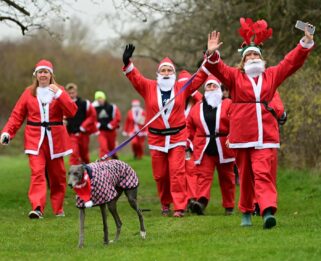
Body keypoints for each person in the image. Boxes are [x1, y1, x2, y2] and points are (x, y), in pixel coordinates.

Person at [203, 18, 314, 228]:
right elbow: (218, 70)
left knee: (263, 173)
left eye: (256, 54)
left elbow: (290, 63)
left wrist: (304, 43)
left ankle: (267, 211)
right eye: (249, 55)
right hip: (242, 135)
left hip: (266, 134)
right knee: (245, 176)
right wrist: (212, 54)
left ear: (261, 59)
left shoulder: (271, 75)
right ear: (243, 61)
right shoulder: (235, 77)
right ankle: (245, 211)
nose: (253, 57)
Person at [122, 44, 208, 217]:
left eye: (170, 70)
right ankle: (165, 203)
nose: (167, 73)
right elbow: (135, 77)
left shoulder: (181, 88)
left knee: (177, 173)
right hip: (156, 139)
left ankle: (179, 207)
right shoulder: (148, 87)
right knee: (160, 176)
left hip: (177, 136)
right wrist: (127, 62)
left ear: (174, 74)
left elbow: (199, 78)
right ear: (158, 74)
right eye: (164, 70)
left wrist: (208, 58)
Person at [0, 59, 77, 219]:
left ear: (51, 74)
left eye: (46, 72)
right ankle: (37, 207)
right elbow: (17, 115)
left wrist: (60, 94)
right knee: (37, 173)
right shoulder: (28, 92)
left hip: (55, 140)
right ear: (36, 75)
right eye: (40, 72)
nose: (43, 75)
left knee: (58, 176)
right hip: (35, 140)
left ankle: (58, 208)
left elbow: (72, 111)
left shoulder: (59, 90)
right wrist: (7, 132)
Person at [187, 75, 236, 216]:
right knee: (203, 177)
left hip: (224, 146)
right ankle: (201, 203)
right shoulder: (197, 107)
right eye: (209, 86)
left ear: (219, 88)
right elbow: (188, 126)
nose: (211, 88)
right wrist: (187, 142)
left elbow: (236, 122)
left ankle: (229, 206)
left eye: (214, 86)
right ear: (205, 89)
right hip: (204, 147)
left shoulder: (228, 104)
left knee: (227, 177)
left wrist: (233, 137)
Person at [178, 70, 203, 211]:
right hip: (176, 142)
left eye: (188, 85)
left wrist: (194, 91)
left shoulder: (196, 101)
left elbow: (205, 102)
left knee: (192, 170)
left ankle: (192, 199)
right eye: (183, 85)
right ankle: (182, 200)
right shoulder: (174, 100)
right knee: (178, 172)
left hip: (193, 143)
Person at [65, 83, 98, 165]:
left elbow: (92, 115)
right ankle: (74, 175)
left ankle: (88, 172)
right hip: (72, 134)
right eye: (69, 93)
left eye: (73, 92)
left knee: (84, 156)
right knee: (74, 153)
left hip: (83, 134)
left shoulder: (84, 103)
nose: (71, 95)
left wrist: (84, 126)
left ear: (76, 92)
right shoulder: (65, 104)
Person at [92, 91, 121, 159]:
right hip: (101, 131)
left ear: (104, 98)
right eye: (98, 98)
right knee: (103, 147)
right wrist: (97, 125)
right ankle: (103, 163)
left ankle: (114, 158)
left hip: (111, 131)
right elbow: (92, 118)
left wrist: (110, 125)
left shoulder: (112, 107)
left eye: (101, 98)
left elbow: (117, 117)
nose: (99, 100)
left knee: (112, 147)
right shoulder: (94, 108)